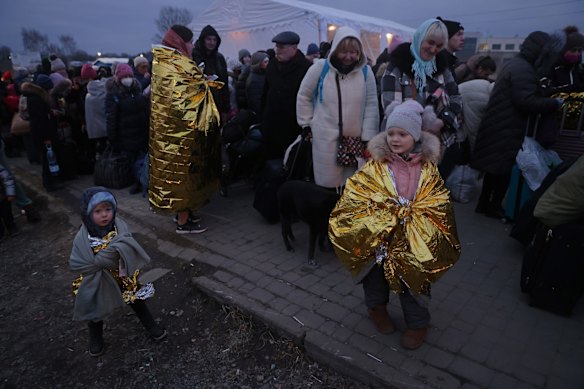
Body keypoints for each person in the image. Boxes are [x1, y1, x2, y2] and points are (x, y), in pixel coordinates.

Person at [328, 100, 461, 350]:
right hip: (378, 240)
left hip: (412, 240)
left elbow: (438, 201)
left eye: (402, 134)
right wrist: (382, 216)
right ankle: (377, 310)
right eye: (391, 133)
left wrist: (414, 216)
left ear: (416, 136)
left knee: (414, 283)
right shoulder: (376, 166)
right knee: (374, 278)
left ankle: (418, 323)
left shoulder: (427, 168)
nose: (395, 139)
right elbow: (357, 196)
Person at [471, 31, 564, 219]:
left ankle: (484, 203)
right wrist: (554, 103)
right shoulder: (524, 69)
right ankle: (493, 205)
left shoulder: (515, 64)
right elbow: (526, 101)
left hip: (499, 123)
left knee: (493, 169)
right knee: (502, 171)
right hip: (508, 126)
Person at [69, 187, 166, 356]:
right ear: (87, 212)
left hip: (123, 277)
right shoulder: (83, 238)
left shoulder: (120, 228)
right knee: (95, 308)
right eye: (97, 211)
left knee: (136, 301)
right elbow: (78, 262)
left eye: (108, 209)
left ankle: (151, 326)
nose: (104, 214)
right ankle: (95, 337)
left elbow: (129, 247)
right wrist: (100, 261)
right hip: (98, 279)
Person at [149, 25, 222, 234]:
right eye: (189, 42)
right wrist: (202, 86)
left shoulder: (168, 61)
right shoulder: (173, 64)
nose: (191, 45)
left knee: (184, 174)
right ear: (179, 41)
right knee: (182, 174)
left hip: (175, 132)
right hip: (179, 133)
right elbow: (179, 101)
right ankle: (183, 222)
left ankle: (184, 214)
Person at [296, 26, 379, 190]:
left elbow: (371, 104)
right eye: (344, 52)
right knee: (327, 187)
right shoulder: (320, 68)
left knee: (353, 186)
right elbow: (303, 95)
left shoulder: (366, 72)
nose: (349, 57)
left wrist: (368, 135)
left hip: (355, 140)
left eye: (354, 52)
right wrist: (306, 123)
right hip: (325, 139)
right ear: (335, 50)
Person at [379, 18, 462, 180]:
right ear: (419, 38)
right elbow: (391, 107)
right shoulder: (397, 67)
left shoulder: (442, 68)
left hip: (436, 147)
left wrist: (442, 121)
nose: (433, 49)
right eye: (430, 43)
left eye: (439, 46)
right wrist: (419, 127)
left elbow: (456, 99)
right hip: (401, 149)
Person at [262, 31, 311, 159]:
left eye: (281, 47)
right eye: (277, 46)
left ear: (294, 48)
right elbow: (266, 91)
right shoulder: (272, 65)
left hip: (293, 126)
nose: (277, 50)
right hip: (271, 124)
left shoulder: (306, 68)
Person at [105, 63, 150, 194]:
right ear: (118, 78)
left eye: (130, 75)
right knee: (131, 161)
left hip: (141, 133)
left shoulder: (137, 90)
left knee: (142, 160)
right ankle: (136, 183)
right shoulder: (113, 95)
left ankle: (142, 182)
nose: (128, 78)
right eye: (125, 76)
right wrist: (112, 137)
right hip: (126, 135)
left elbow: (145, 110)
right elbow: (111, 117)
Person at [192, 25, 230, 125]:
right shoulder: (194, 56)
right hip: (199, 105)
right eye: (209, 39)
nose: (212, 42)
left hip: (217, 104)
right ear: (203, 40)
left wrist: (226, 108)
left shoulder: (219, 58)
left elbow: (224, 83)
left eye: (214, 40)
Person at [245, 51, 269, 119]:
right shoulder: (254, 79)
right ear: (259, 63)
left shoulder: (263, 74)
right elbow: (256, 101)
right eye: (265, 62)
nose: (268, 64)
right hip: (261, 114)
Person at [0, 160, 18, 239]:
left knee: (7, 214)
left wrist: (10, 193)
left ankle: (12, 227)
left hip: (3, 197)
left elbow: (7, 179)